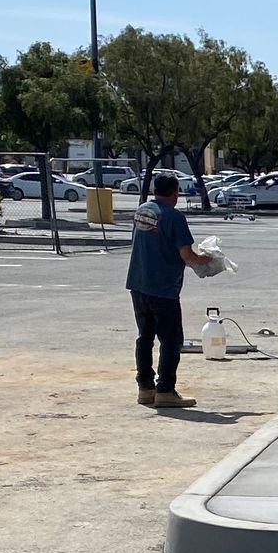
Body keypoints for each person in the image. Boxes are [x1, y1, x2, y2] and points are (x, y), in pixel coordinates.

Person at [126, 171, 197, 408]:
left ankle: (145, 387)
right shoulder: (174, 217)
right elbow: (187, 255)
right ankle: (165, 389)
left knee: (145, 336)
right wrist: (208, 260)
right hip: (163, 288)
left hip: (138, 283)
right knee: (171, 339)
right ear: (174, 192)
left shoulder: (142, 210)